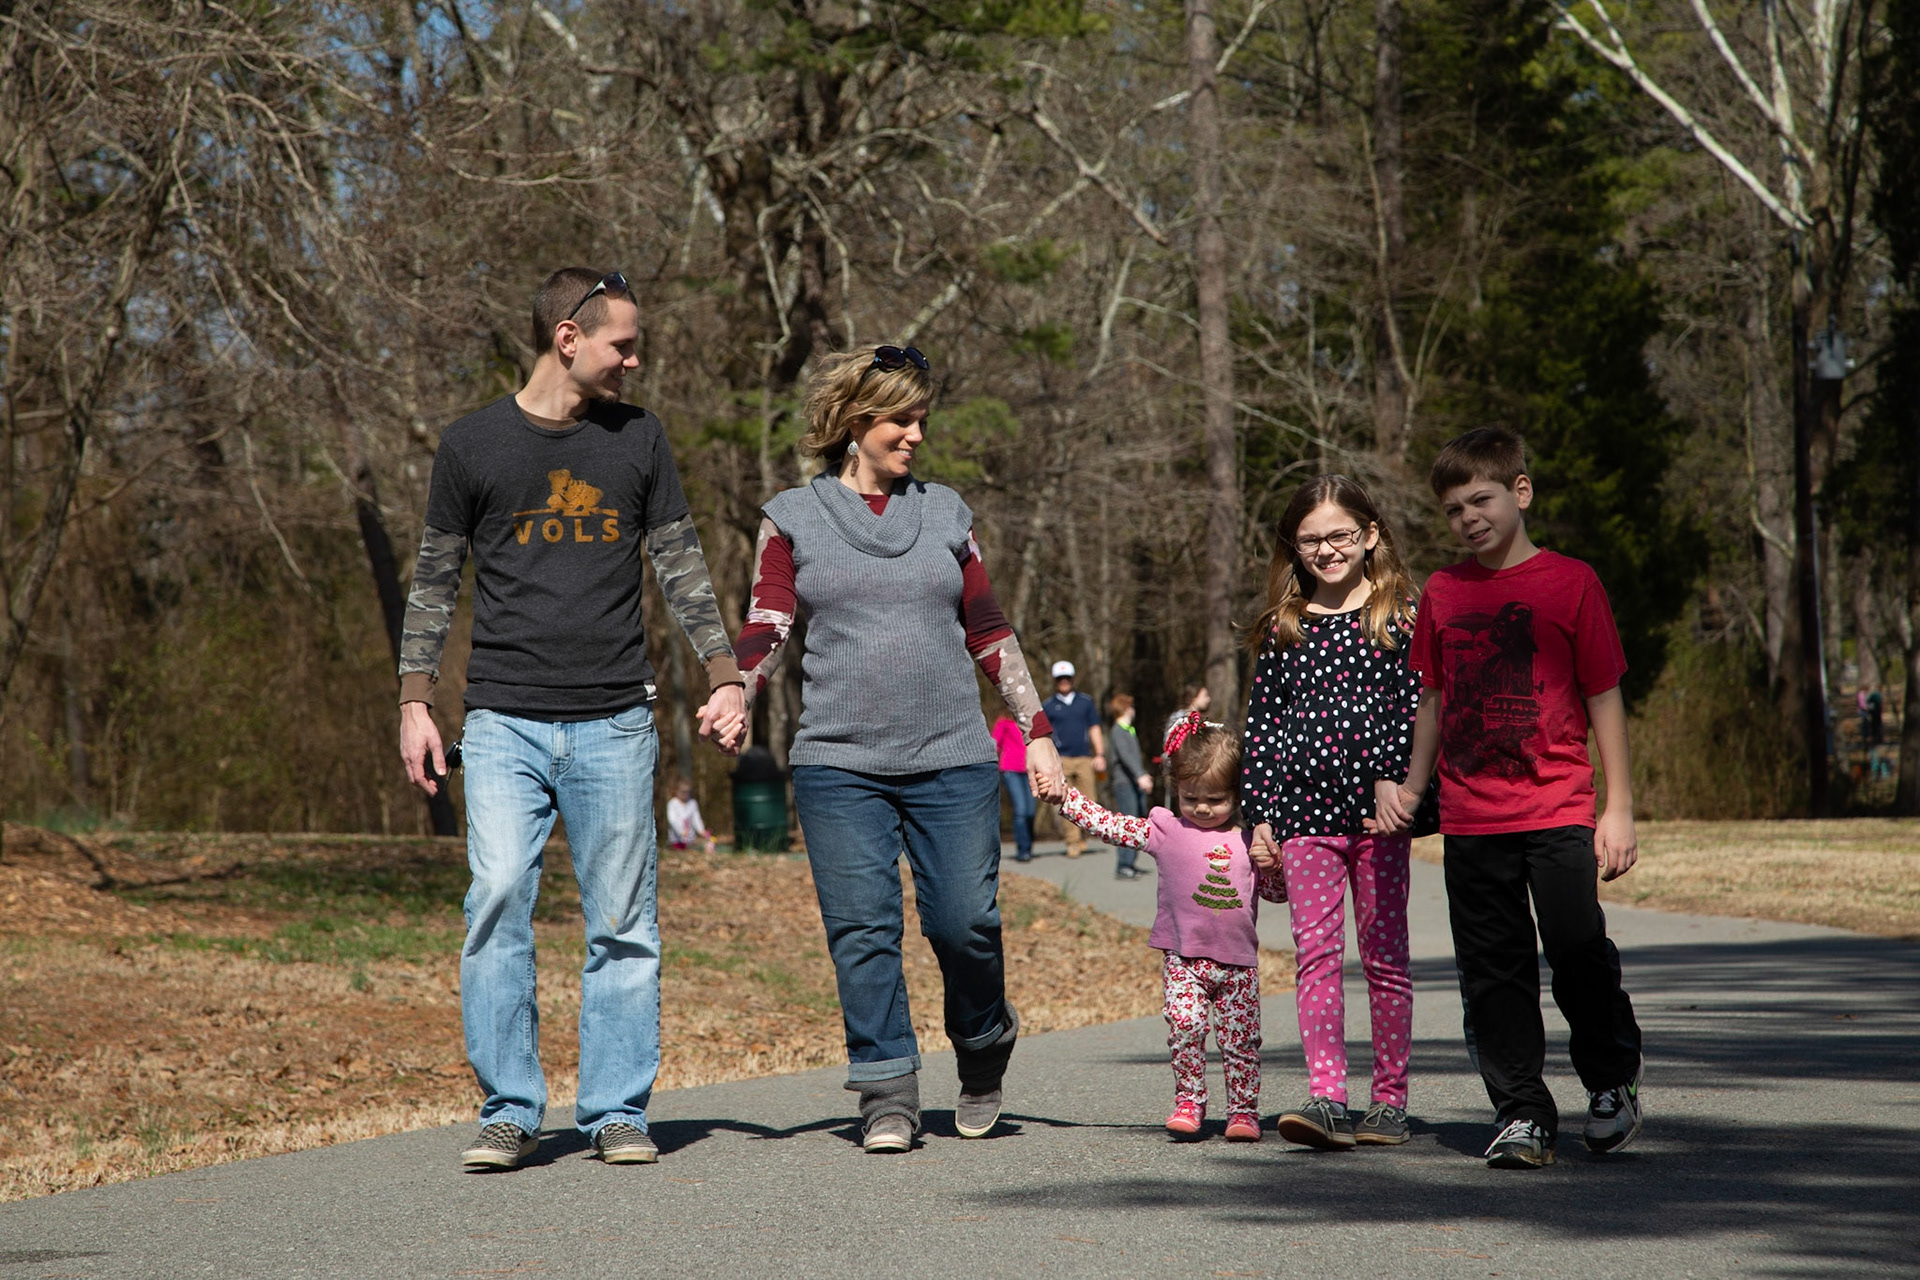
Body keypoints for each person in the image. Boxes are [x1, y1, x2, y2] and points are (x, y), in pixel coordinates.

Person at [397, 268, 746, 1173]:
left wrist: (725, 676)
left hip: (616, 720)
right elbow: (435, 580)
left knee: (623, 922)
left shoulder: (640, 442)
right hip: (504, 720)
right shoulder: (473, 445)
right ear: (567, 338)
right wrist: (414, 701)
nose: (636, 359)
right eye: (622, 344)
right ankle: (510, 1109)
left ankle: (615, 1110)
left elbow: (681, 566)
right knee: (499, 897)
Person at [733, 344, 1065, 1154]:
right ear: (855, 420)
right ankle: (886, 1089)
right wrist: (735, 687)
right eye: (900, 419)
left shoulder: (947, 513)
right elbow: (767, 620)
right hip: (838, 762)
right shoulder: (793, 515)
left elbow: (987, 630)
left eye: (923, 419)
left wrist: (1038, 731)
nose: (916, 434)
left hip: (952, 754)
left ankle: (983, 1053)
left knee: (964, 923)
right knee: (863, 928)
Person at [1374, 426, 1645, 1170]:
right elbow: (1431, 695)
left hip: (1558, 806)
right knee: (1493, 969)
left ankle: (1611, 1080)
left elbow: (1604, 695)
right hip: (1471, 815)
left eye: (1482, 499)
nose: (1469, 517)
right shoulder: (1443, 590)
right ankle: (1523, 1110)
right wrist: (1416, 784)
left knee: (1574, 946)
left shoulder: (1572, 582)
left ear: (1520, 492)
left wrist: (1616, 807)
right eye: (1455, 508)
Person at [1242, 475, 1421, 1150]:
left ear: (1369, 535)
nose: (1327, 550)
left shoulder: (1398, 615)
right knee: (1316, 957)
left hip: (1381, 818)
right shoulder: (1285, 627)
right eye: (1311, 540)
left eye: (1340, 535)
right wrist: (1260, 816)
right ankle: (1327, 1098)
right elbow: (1264, 727)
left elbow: (1415, 708)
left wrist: (1388, 777)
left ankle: (1389, 1101)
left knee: (1384, 957)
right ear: (1294, 547)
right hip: (1305, 816)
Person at [1060, 713, 1282, 1141]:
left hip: (1238, 965)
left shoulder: (1251, 839)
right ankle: (1189, 1100)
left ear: (1238, 793)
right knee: (1185, 1028)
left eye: (1215, 799)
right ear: (1176, 788)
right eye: (1190, 796)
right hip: (1183, 958)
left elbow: (1276, 894)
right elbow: (1111, 825)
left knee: (1240, 1043)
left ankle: (1243, 1110)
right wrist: (1065, 799)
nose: (1201, 807)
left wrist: (1274, 867)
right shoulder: (1167, 830)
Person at [1042, 661, 1104, 857]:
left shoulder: (1085, 702)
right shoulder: (1048, 706)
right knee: (1066, 801)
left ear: (1073, 678)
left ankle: (1084, 835)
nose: (1064, 682)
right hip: (1061, 759)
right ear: (1055, 681)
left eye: (1067, 678)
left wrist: (1100, 754)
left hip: (1084, 757)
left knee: (1090, 800)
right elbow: (1044, 736)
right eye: (1060, 679)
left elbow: (1094, 728)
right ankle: (1072, 841)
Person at [1106, 694, 1153, 879]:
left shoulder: (1128, 730)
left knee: (1137, 820)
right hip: (1124, 783)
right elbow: (1125, 756)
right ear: (1126, 709)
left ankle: (1131, 862)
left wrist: (1142, 774)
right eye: (1131, 707)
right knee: (1128, 823)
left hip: (1134, 782)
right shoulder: (1118, 730)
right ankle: (1123, 864)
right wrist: (1140, 775)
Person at [991, 714, 1037, 862]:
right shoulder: (1004, 722)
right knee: (1021, 810)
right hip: (1011, 770)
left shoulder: (1032, 720)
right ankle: (1023, 849)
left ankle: (1029, 844)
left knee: (1031, 811)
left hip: (1031, 769)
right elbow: (995, 744)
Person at [1163, 682, 1211, 806]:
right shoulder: (1180, 718)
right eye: (1204, 695)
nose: (1208, 699)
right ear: (1194, 697)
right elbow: (1169, 744)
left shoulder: (1202, 719)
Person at [666, 778, 716, 853]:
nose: (685, 794)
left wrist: (701, 830)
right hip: (676, 838)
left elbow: (696, 818)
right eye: (683, 791)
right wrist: (681, 831)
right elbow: (672, 820)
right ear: (676, 791)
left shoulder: (692, 803)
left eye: (687, 792)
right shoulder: (672, 803)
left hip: (690, 838)